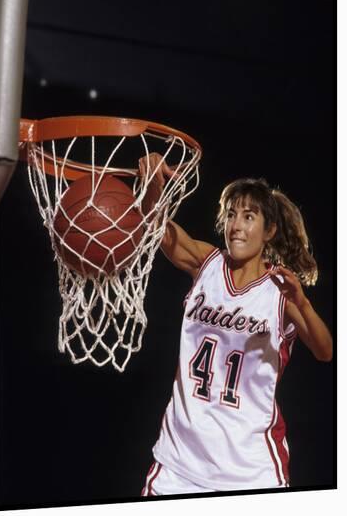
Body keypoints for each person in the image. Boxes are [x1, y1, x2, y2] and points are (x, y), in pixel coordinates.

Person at [139, 153, 332, 495]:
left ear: (269, 230)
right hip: (178, 462)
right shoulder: (206, 264)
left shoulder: (280, 291)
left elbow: (325, 351)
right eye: (230, 215)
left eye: (248, 216)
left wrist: (301, 302)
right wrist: (153, 185)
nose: (236, 225)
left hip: (248, 470)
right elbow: (157, 227)